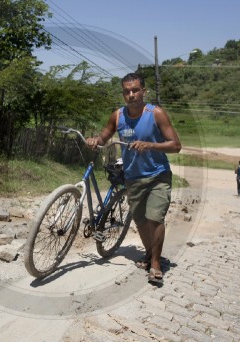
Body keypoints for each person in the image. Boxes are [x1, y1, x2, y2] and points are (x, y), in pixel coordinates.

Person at [85, 72, 181, 285]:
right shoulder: (117, 116)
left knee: (155, 217)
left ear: (143, 92)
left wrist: (151, 145)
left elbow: (176, 145)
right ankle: (149, 254)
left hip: (158, 175)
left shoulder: (156, 113)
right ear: (123, 93)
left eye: (135, 90)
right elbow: (104, 137)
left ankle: (156, 264)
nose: (131, 94)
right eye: (127, 91)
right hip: (133, 178)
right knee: (141, 221)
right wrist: (95, 140)